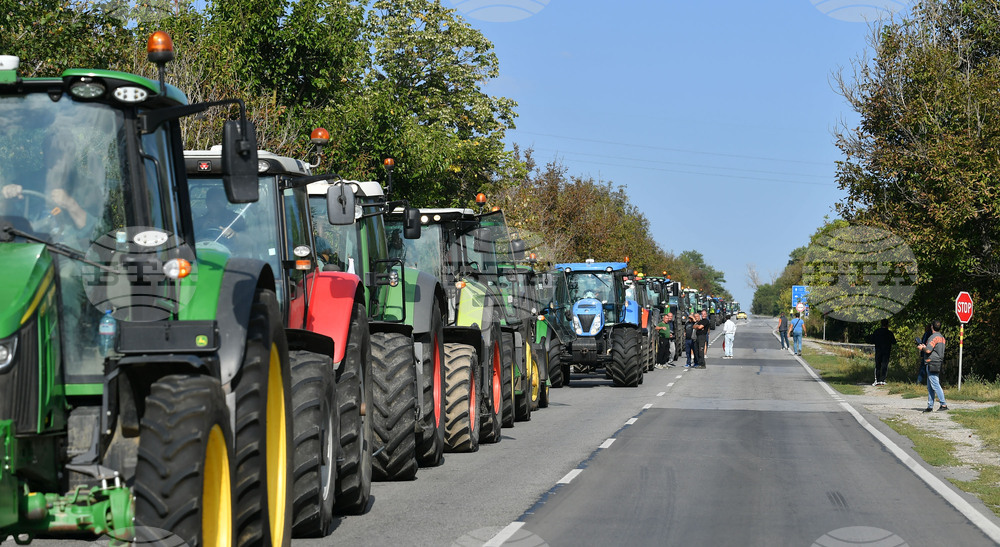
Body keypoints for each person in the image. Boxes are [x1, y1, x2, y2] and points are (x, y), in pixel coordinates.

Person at [918, 319, 947, 412]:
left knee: (935, 384)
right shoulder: (942, 338)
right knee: (930, 385)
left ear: (932, 327)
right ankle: (930, 406)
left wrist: (922, 348)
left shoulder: (933, 337)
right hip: (938, 362)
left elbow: (928, 350)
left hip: (932, 362)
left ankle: (943, 404)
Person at [866, 319, 896, 386]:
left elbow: (872, 340)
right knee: (884, 365)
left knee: (878, 365)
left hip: (878, 350)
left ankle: (877, 380)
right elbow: (894, 342)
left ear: (881, 324)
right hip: (886, 351)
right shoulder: (889, 333)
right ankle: (883, 380)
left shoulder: (877, 332)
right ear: (887, 325)